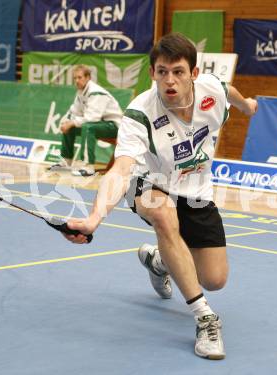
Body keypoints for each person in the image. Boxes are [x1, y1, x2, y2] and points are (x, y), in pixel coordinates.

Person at [62, 33, 258, 359]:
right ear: (152, 73)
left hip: (196, 191)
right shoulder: (140, 113)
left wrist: (247, 107)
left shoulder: (212, 90)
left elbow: (229, 92)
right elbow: (120, 169)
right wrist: (95, 218)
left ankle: (159, 261)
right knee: (164, 216)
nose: (170, 80)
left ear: (193, 74)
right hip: (149, 182)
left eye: (178, 71)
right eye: (162, 71)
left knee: (215, 278)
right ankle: (205, 318)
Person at [49, 64, 123, 176]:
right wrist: (67, 122)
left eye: (80, 77)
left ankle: (88, 166)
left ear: (88, 77)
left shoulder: (96, 92)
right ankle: (66, 162)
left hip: (114, 126)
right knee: (70, 128)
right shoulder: (80, 92)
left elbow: (92, 118)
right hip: (100, 125)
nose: (77, 81)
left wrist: (72, 122)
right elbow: (74, 111)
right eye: (75, 78)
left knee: (88, 127)